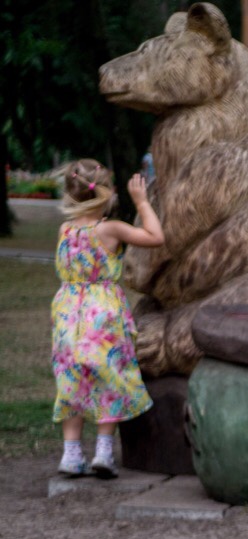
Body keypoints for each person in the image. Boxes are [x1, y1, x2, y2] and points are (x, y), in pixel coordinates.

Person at [52, 160, 164, 478]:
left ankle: (71, 454)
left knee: (71, 382)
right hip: (102, 315)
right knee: (109, 379)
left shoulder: (65, 230)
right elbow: (155, 236)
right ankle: (103, 452)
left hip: (68, 314)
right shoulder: (110, 229)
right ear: (107, 193)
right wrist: (141, 201)